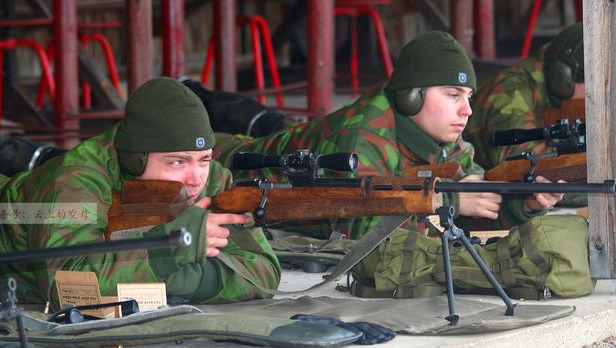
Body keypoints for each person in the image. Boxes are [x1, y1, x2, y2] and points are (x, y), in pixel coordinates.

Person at [211, 31, 564, 240]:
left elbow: (467, 223)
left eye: (468, 98)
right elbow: (359, 230)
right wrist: (449, 201)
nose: (467, 110)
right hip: (226, 164)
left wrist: (521, 205)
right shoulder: (364, 137)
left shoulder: (446, 140)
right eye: (453, 96)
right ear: (412, 96)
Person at [0, 77, 281, 307]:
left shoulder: (210, 178)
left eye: (203, 159)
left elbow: (264, 273)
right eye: (176, 162)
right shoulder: (74, 181)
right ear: (134, 159)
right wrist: (168, 250)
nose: (195, 179)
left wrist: (179, 277)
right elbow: (68, 288)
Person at [464, 23, 585, 170]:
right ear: (563, 77)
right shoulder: (511, 90)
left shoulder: (554, 97)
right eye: (589, 87)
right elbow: (519, 159)